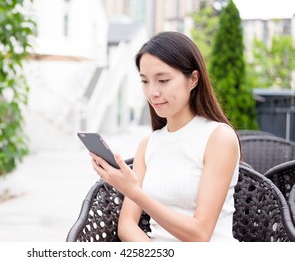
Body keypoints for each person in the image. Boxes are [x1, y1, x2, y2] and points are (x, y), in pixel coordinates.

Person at [90, 31, 240, 242]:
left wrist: (133, 191)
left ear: (193, 80)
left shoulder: (218, 137)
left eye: (163, 80)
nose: (152, 92)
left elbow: (200, 234)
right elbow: (126, 226)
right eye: (145, 81)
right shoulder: (148, 145)